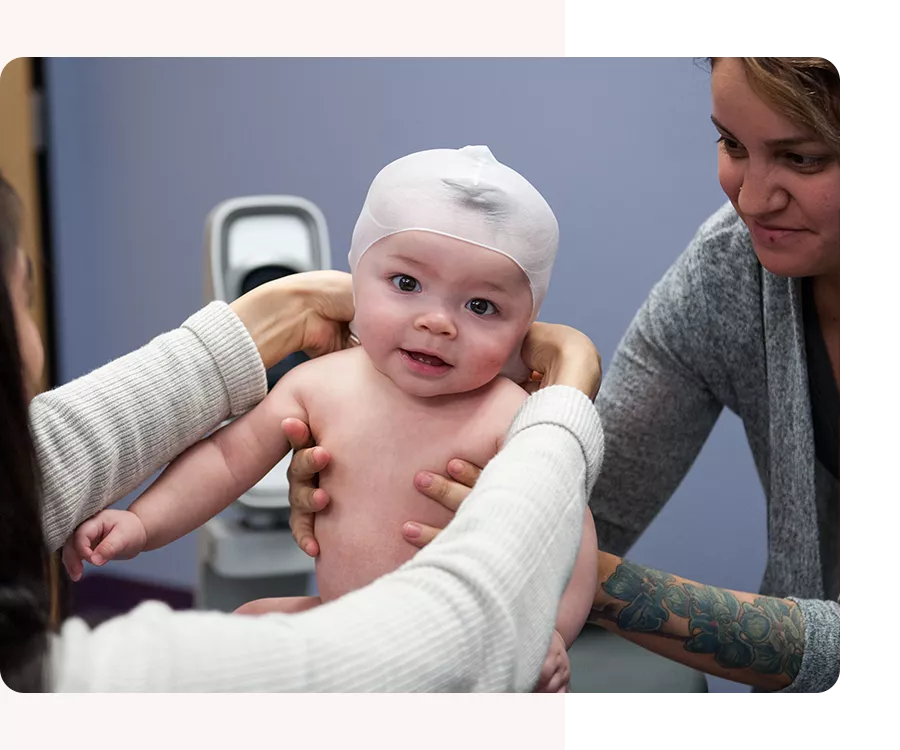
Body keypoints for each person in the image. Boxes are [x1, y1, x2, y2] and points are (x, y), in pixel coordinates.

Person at [287, 56, 842, 695]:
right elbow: (586, 499)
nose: (751, 199)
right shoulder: (729, 275)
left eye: (804, 158)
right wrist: (379, 483)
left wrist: (534, 556)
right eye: (733, 144)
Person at [0, 170, 604, 692]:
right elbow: (227, 456)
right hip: (337, 616)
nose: (436, 320)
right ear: (353, 279)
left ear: (528, 327)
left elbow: (564, 531)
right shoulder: (323, 385)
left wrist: (549, 630)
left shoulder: (515, 414)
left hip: (468, 649)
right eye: (406, 284)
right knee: (247, 622)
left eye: (480, 306)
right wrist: (142, 522)